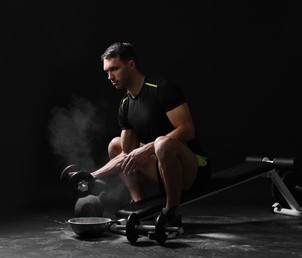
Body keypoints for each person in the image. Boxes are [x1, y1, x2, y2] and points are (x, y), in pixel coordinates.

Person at [70, 42, 210, 234]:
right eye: (107, 72)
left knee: (162, 143)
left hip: (194, 169)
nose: (110, 77)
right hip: (162, 170)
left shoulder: (161, 87)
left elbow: (187, 130)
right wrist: (92, 176)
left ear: (131, 65)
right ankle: (141, 206)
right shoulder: (126, 105)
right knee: (116, 145)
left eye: (114, 69)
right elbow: (126, 155)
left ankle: (173, 213)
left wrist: (147, 148)